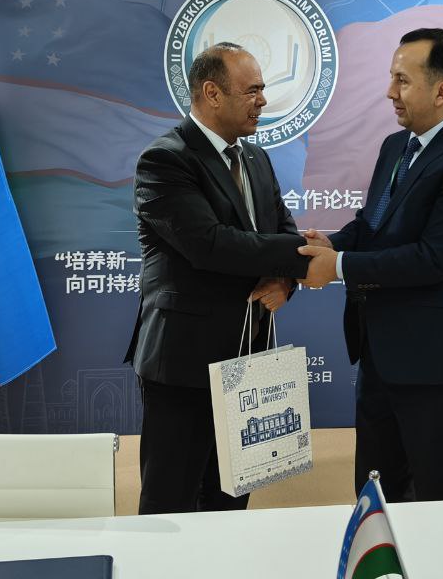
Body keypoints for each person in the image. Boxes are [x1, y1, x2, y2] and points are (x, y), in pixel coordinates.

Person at [298, 28, 443, 502]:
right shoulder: (396, 146)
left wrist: (338, 266)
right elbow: (371, 226)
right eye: (392, 77)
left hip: (435, 364)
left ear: (442, 90)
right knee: (376, 494)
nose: (390, 92)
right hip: (379, 354)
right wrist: (328, 244)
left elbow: (433, 259)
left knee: (437, 496)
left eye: (402, 80)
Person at [125, 42, 308, 514]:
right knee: (171, 504)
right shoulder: (165, 160)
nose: (263, 101)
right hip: (184, 365)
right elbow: (211, 245)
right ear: (212, 93)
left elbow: (282, 230)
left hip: (248, 363)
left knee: (230, 501)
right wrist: (308, 256)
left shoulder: (256, 159)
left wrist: (285, 282)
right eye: (252, 90)